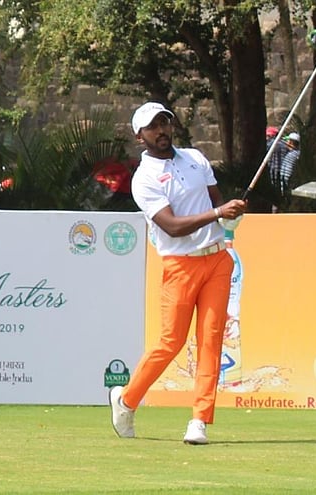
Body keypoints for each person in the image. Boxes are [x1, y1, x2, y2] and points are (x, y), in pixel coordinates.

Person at [108, 102, 247, 445]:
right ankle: (126, 399)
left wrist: (231, 213)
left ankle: (199, 420)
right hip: (180, 264)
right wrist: (218, 212)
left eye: (165, 123)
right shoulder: (144, 179)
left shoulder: (196, 158)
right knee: (171, 342)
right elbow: (171, 227)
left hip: (217, 259)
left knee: (212, 341)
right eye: (153, 127)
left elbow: (216, 203)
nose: (161, 131)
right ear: (139, 136)